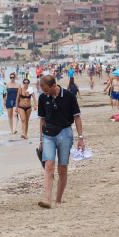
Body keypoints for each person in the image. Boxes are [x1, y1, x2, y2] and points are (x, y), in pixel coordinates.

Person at [37, 75, 85, 209]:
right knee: (49, 165)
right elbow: (42, 120)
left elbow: (77, 117)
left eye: (46, 90)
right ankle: (47, 199)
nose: (44, 93)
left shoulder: (69, 96)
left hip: (65, 133)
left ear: (53, 86)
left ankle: (58, 199)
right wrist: (41, 139)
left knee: (62, 168)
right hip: (48, 135)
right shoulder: (42, 98)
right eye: (43, 90)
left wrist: (80, 138)